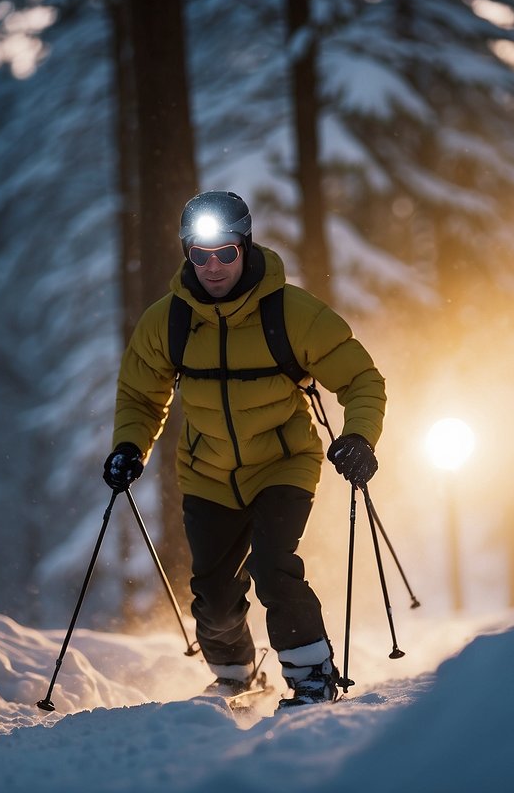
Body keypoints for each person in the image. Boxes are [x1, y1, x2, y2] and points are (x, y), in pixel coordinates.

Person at [102, 190, 385, 708]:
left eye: (225, 253)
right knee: (213, 594)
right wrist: (128, 446)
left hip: (284, 463)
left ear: (244, 246)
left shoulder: (293, 313)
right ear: (187, 253)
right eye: (199, 254)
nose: (212, 267)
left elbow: (362, 380)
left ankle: (312, 677)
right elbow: (142, 395)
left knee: (273, 565)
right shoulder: (169, 321)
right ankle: (237, 676)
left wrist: (359, 437)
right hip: (207, 471)